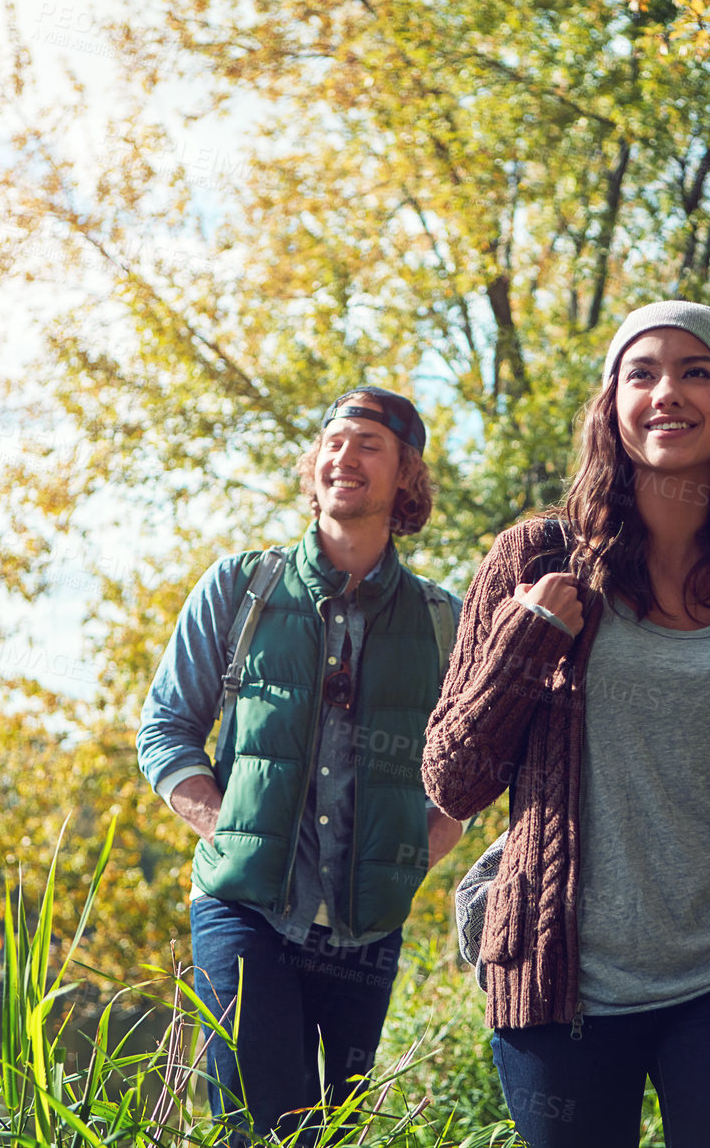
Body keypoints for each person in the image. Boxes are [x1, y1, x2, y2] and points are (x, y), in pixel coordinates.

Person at [423, 302, 710, 1147]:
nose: (669, 392)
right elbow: (454, 776)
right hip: (562, 982)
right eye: (643, 372)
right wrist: (527, 638)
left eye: (696, 372)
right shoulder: (532, 561)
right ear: (611, 404)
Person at [137, 386, 465, 1141]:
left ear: (406, 478)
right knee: (261, 1130)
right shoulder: (240, 588)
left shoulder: (442, 620)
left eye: (369, 446)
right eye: (334, 443)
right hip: (244, 908)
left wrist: (421, 848)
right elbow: (165, 729)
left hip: (368, 925)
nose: (344, 458)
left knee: (336, 1133)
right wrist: (225, 827)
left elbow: (467, 765)